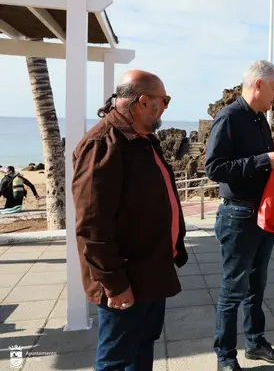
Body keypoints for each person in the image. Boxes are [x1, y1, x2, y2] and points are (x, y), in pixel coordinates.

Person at [72, 70, 188, 371]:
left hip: (151, 271)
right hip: (126, 280)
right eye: (164, 100)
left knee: (141, 348)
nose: (165, 107)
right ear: (143, 101)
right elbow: (91, 225)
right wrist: (114, 283)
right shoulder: (102, 144)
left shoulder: (143, 138)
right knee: (115, 360)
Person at [205, 60, 274, 371]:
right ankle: (225, 358)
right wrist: (262, 161)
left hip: (261, 215)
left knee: (257, 285)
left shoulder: (258, 119)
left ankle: (255, 343)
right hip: (238, 215)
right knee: (232, 290)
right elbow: (214, 168)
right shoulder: (228, 117)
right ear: (258, 85)